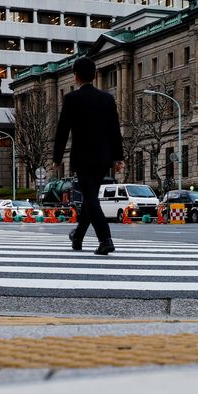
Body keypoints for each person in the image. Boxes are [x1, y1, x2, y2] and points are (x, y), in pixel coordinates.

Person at [52, 57, 124, 255]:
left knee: (90, 198)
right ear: (94, 75)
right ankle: (78, 236)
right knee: (90, 198)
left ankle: (105, 239)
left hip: (82, 157)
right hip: (103, 158)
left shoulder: (72, 99)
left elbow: (62, 130)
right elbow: (114, 130)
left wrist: (57, 158)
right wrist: (118, 157)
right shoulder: (107, 98)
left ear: (76, 76)